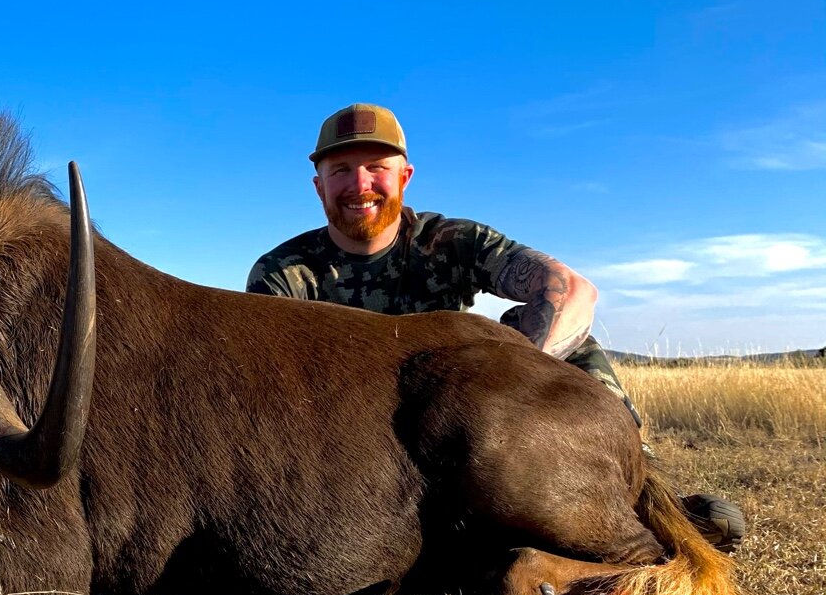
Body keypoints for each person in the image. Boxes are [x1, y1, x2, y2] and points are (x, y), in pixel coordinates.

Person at [247, 103, 744, 550]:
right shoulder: (281, 274)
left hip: (457, 408)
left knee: (562, 336)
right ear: (319, 185)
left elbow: (572, 289)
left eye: (377, 167)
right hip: (358, 428)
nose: (360, 186)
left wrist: (514, 397)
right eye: (341, 171)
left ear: (405, 176)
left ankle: (640, 485)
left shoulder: (451, 240)